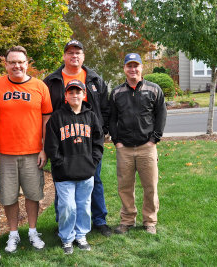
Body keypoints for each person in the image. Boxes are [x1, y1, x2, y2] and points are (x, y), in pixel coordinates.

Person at [43, 40, 111, 236]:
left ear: (83, 56)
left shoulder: (95, 79)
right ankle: (63, 221)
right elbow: (47, 111)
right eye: (70, 52)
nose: (74, 56)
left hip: (88, 142)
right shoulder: (52, 81)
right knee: (62, 184)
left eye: (78, 52)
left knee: (94, 180)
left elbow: (105, 109)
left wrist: (101, 131)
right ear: (64, 56)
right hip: (63, 141)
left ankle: (99, 220)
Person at [0, 46, 53, 253]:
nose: (17, 65)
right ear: (6, 64)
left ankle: (33, 231)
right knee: (8, 196)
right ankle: (13, 233)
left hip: (33, 152)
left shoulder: (40, 86)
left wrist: (44, 148)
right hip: (6, 152)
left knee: (33, 194)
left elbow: (47, 120)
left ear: (27, 64)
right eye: (12, 62)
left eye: (20, 62)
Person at [109, 53, 167, 235]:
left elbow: (161, 115)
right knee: (125, 187)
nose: (133, 69)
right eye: (129, 66)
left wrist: (154, 139)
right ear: (124, 69)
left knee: (150, 186)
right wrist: (117, 141)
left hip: (146, 147)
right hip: (124, 148)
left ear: (142, 67)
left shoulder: (154, 89)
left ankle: (150, 221)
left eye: (136, 66)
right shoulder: (117, 93)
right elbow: (111, 119)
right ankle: (127, 221)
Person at [45, 79, 104, 254]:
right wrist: (59, 164)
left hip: (86, 171)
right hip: (64, 173)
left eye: (78, 92)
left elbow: (98, 142)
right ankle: (67, 238)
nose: (75, 95)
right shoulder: (57, 118)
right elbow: (51, 145)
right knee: (67, 207)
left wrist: (93, 161)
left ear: (84, 94)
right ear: (65, 95)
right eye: (71, 92)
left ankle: (81, 235)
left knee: (84, 205)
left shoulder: (91, 116)